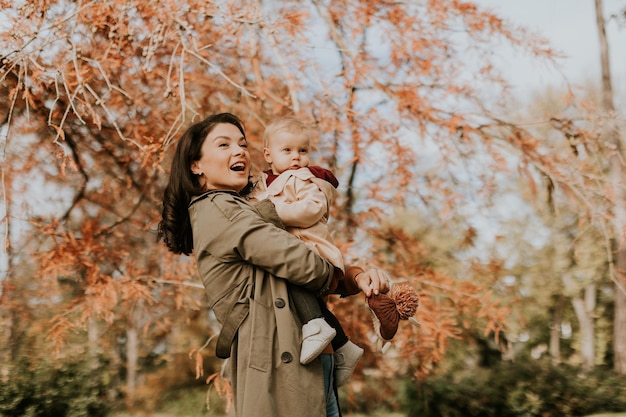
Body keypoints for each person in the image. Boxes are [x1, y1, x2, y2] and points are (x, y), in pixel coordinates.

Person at [158, 112, 390, 417]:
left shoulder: (250, 207)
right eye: (224, 144)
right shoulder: (218, 207)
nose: (239, 150)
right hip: (281, 368)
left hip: (311, 359)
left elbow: (302, 271)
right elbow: (304, 265)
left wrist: (357, 277)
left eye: (242, 144)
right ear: (196, 165)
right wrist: (334, 272)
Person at [249, 116, 363, 385]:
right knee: (289, 285)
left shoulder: (306, 178)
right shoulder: (261, 184)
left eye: (302, 151)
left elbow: (311, 210)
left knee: (291, 277)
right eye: (286, 150)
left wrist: (271, 212)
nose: (296, 157)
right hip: (292, 249)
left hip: (313, 249)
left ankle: (314, 325)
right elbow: (251, 208)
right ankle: (344, 346)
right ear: (268, 154)